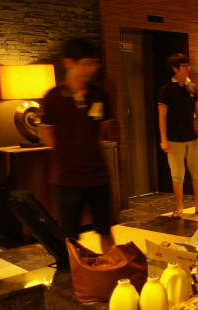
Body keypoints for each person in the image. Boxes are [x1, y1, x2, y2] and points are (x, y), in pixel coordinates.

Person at [40, 37, 116, 254]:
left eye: (93, 63)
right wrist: (69, 155)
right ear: (68, 62)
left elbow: (100, 130)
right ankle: (75, 271)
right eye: (84, 64)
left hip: (98, 176)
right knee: (70, 236)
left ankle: (112, 268)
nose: (89, 69)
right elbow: (47, 135)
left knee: (105, 229)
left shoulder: (100, 94)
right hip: (66, 179)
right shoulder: (53, 97)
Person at [158, 53, 198, 219]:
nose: (188, 68)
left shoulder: (192, 88)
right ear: (175, 69)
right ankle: (180, 207)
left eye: (188, 65)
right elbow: (162, 117)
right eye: (184, 66)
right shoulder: (166, 90)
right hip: (174, 139)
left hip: (192, 137)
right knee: (178, 175)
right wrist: (163, 139)